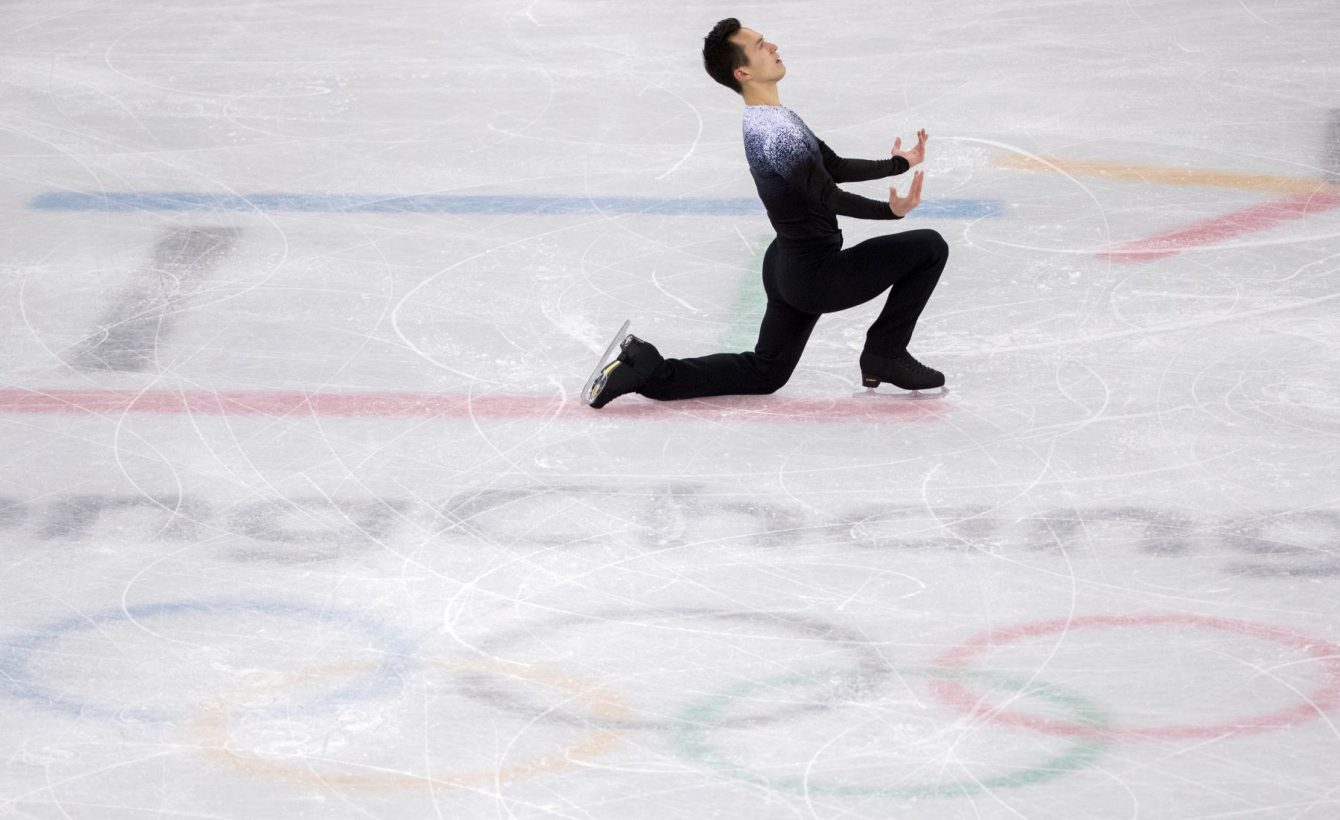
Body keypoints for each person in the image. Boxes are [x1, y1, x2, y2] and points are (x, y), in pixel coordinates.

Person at [585, 17, 948, 408]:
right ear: (742, 72)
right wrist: (890, 212)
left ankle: (648, 371)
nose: (773, 46)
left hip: (786, 263)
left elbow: (834, 165)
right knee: (929, 247)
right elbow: (828, 194)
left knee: (766, 372)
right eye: (760, 46)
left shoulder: (773, 118)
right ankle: (885, 354)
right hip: (814, 274)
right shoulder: (776, 134)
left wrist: (897, 165)